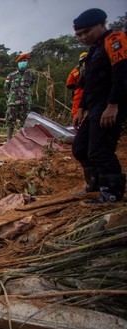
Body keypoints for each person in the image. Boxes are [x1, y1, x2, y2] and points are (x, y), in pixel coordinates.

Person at [72, 8, 127, 202]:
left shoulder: (115, 40)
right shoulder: (94, 50)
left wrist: (113, 104)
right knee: (80, 147)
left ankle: (112, 193)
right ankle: (94, 185)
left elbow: (121, 74)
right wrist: (81, 108)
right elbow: (88, 83)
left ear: (102, 24)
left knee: (100, 150)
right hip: (94, 107)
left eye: (86, 32)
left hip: (109, 106)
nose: (82, 37)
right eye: (79, 34)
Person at [4, 53, 36, 140]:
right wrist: (10, 99)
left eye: (25, 61)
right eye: (21, 61)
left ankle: (23, 140)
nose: (23, 63)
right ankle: (9, 140)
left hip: (25, 102)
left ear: (27, 62)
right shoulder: (11, 76)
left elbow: (31, 85)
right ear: (18, 63)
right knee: (10, 121)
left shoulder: (31, 75)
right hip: (13, 102)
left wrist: (27, 96)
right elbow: (6, 89)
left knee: (25, 122)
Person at [66, 52, 88, 120]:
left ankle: (78, 128)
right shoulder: (95, 67)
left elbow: (69, 85)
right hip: (93, 93)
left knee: (77, 114)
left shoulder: (75, 71)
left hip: (79, 94)